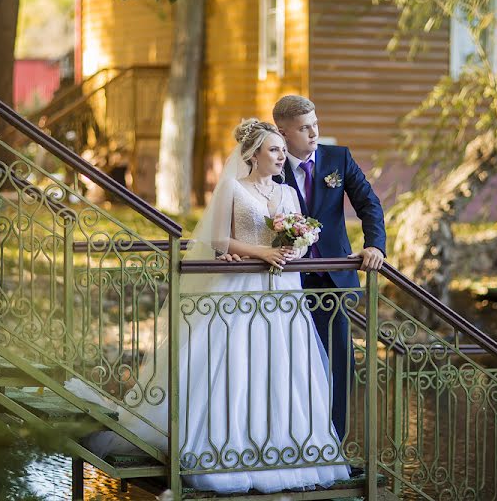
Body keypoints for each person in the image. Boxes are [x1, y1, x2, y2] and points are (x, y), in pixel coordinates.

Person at [65, 119, 349, 494]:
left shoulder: (289, 194)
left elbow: (299, 242)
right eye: (274, 150)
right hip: (239, 288)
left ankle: (285, 450)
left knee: (281, 366)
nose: (282, 156)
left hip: (282, 292)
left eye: (283, 149)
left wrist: (294, 247)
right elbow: (219, 239)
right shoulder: (233, 188)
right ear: (253, 155)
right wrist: (262, 251)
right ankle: (223, 450)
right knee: (233, 365)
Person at [273, 94, 386, 443]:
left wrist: (374, 245)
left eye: (315, 124)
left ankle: (333, 446)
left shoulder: (338, 158)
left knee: (340, 366)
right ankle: (291, 442)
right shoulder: (269, 164)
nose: (313, 133)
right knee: (289, 366)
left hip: (333, 282)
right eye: (304, 128)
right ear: (283, 132)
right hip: (287, 284)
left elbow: (369, 202)